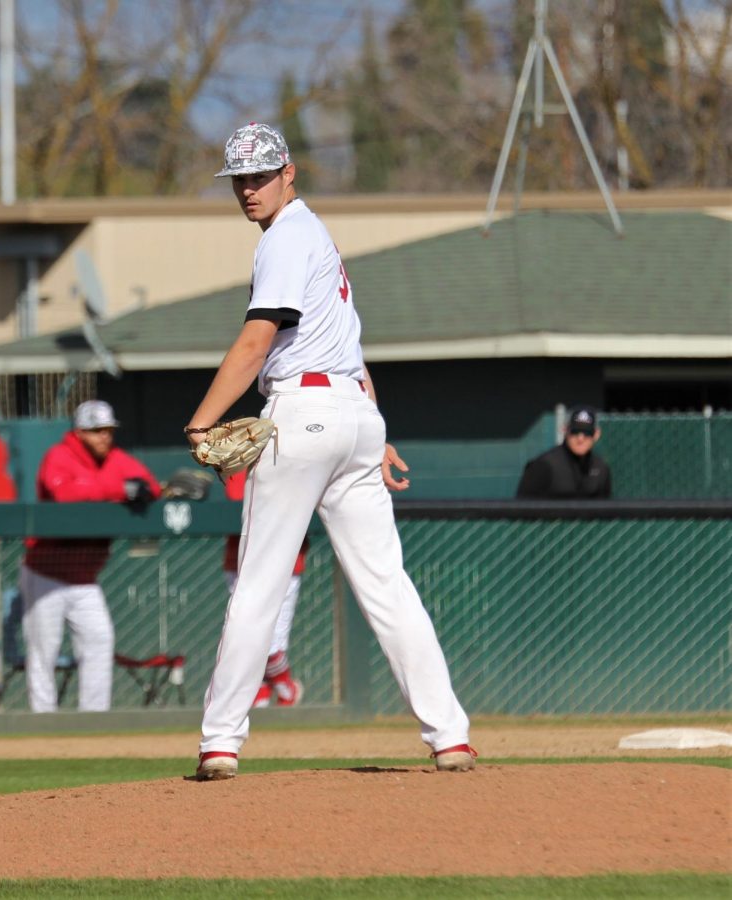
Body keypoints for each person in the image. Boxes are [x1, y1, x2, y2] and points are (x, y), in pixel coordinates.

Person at [185, 122, 474, 780]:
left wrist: (202, 422)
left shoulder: (286, 236)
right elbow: (347, 350)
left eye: (259, 176)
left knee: (258, 583)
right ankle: (449, 735)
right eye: (240, 179)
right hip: (352, 415)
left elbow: (259, 341)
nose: (249, 190)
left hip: (306, 416)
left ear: (289, 171)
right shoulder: (318, 236)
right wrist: (375, 429)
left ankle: (221, 740)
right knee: (386, 586)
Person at [20, 400, 162, 712]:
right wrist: (121, 490)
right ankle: (42, 721)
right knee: (44, 651)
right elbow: (67, 495)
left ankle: (93, 718)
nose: (104, 437)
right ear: (80, 432)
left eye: (108, 430)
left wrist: (132, 489)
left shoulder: (115, 459)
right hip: (46, 573)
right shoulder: (59, 456)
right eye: (97, 431)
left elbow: (148, 485)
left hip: (85, 578)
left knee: (99, 641)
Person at [224, 469, 306, 708]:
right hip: (240, 562)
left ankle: (284, 687)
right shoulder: (237, 459)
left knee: (272, 643)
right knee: (244, 636)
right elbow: (236, 494)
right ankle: (264, 689)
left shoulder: (293, 455)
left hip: (285, 562)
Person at [516, 405, 612, 499]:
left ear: (596, 434)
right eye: (575, 431)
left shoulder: (600, 467)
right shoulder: (545, 465)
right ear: (565, 430)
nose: (580, 438)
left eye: (587, 433)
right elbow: (522, 507)